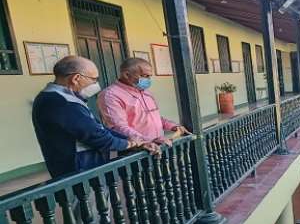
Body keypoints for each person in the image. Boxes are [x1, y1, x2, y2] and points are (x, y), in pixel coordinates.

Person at [31, 55, 159, 178]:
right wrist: (130, 143)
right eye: (94, 79)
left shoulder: (68, 98)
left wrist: (134, 141)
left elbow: (100, 128)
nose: (96, 84)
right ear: (76, 78)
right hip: (80, 172)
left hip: (90, 166)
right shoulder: (60, 102)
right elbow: (99, 137)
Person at [98, 57, 188, 144]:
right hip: (136, 151)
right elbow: (118, 127)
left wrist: (173, 126)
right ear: (126, 75)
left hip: (159, 146)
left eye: (150, 76)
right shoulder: (110, 95)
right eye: (145, 76)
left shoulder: (146, 93)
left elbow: (155, 118)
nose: (148, 80)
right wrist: (148, 141)